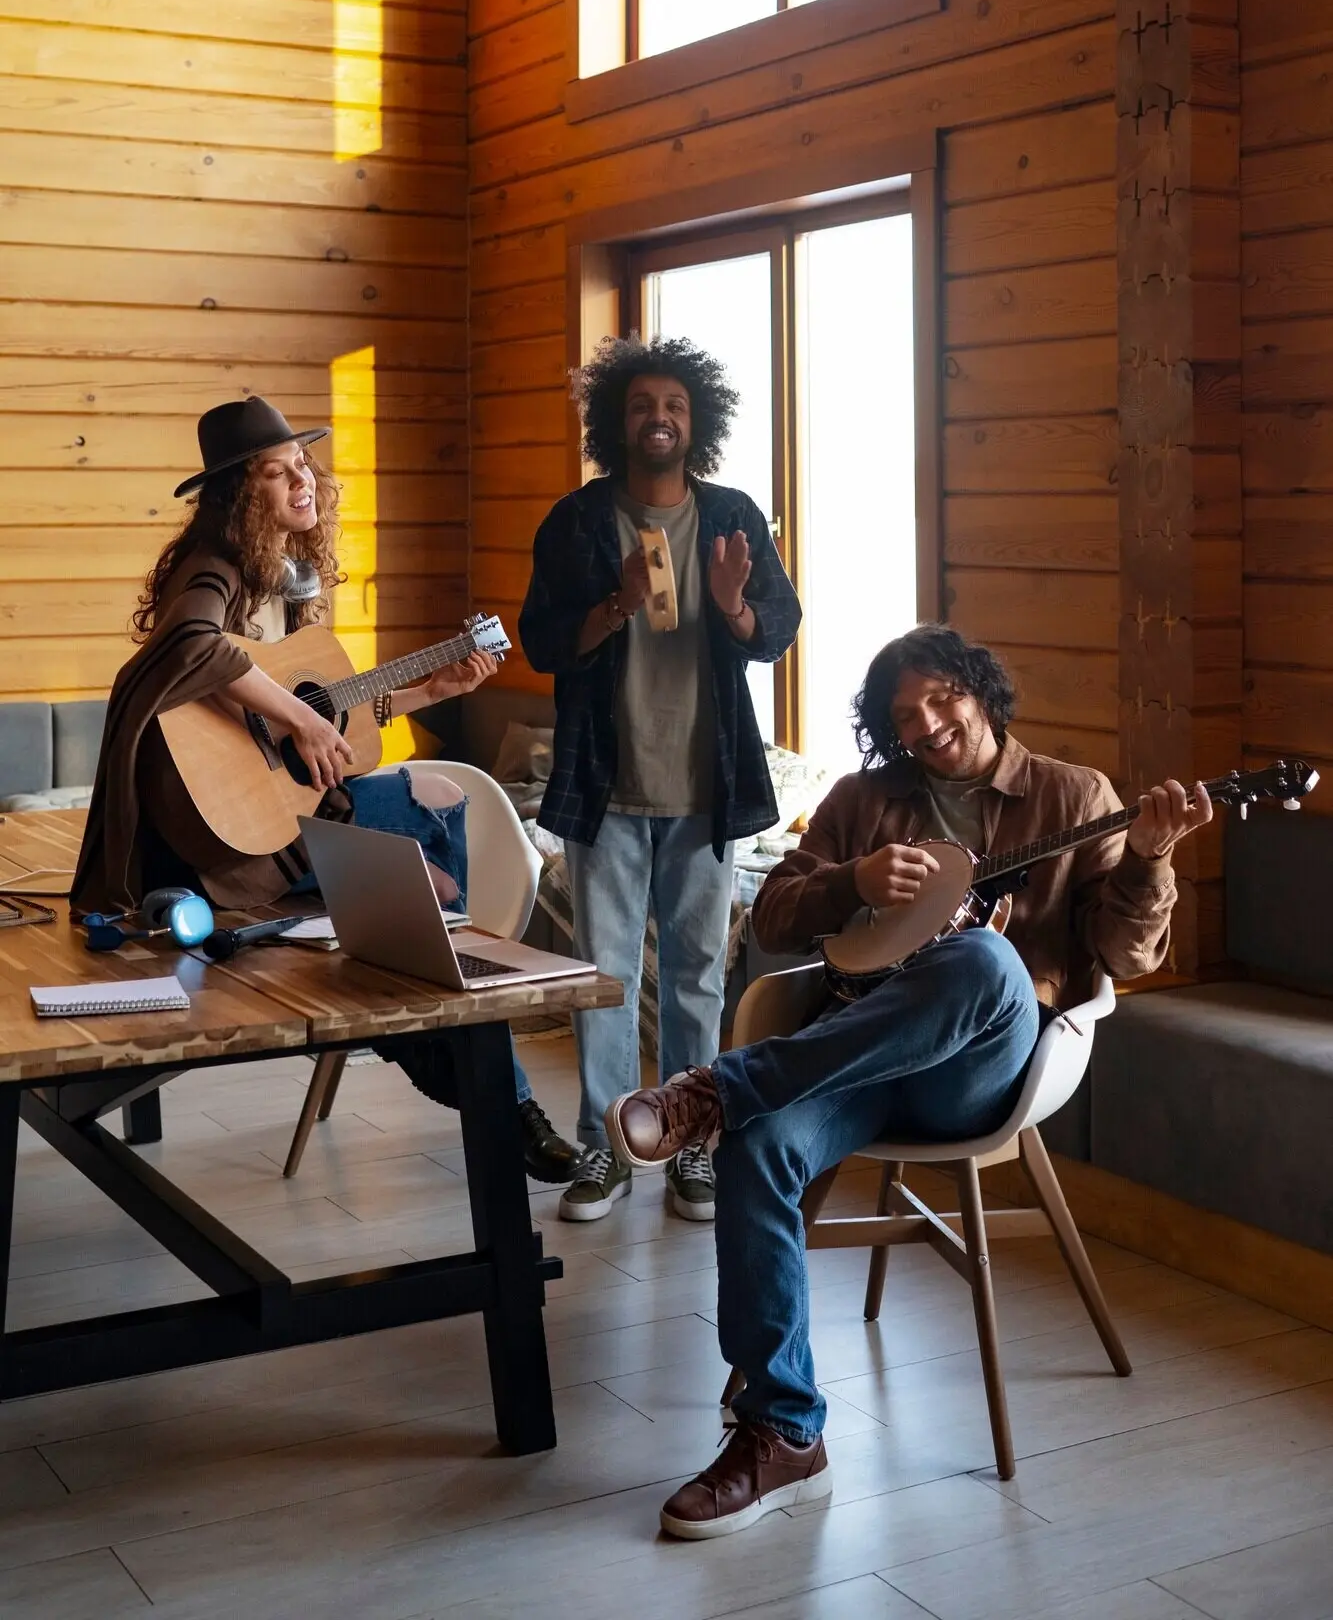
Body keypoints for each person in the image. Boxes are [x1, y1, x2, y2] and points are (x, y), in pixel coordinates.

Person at [604, 624, 1214, 1538]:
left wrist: (1151, 856)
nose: (927, 726)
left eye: (942, 701)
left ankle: (716, 1090)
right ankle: (782, 1432)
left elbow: (1127, 953)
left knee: (981, 962)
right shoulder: (864, 801)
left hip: (977, 1072)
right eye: (904, 718)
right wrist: (854, 878)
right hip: (856, 1056)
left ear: (980, 690)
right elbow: (770, 913)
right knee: (763, 1146)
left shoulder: (1072, 796)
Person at [72, 395, 582, 1185]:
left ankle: (431, 1003)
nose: (302, 481)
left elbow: (322, 717)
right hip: (218, 842)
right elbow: (190, 644)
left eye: (304, 464)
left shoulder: (289, 581)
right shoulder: (212, 570)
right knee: (415, 887)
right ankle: (458, 1049)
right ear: (240, 495)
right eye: (278, 473)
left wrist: (427, 693)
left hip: (284, 817)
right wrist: (301, 727)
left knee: (431, 812)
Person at [519, 337, 802, 1224]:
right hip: (603, 785)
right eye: (642, 405)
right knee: (602, 977)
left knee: (695, 978)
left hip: (708, 787)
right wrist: (615, 606)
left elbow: (778, 627)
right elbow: (541, 642)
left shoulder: (732, 516)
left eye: (674, 406)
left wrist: (732, 607)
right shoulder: (575, 521)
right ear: (616, 420)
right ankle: (604, 1150)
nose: (659, 419)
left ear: (696, 420)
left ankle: (691, 1148)